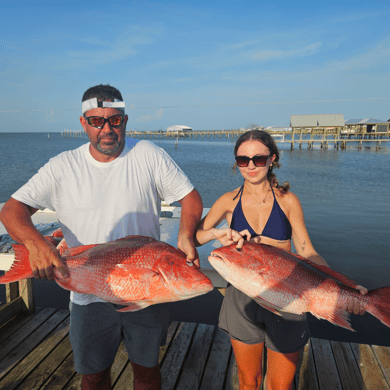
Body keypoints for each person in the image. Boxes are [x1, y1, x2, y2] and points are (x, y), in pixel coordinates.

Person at [0, 84, 203, 390]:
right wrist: (36, 244)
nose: (107, 129)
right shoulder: (62, 166)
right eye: (97, 120)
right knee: (93, 376)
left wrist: (186, 235)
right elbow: (12, 210)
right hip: (88, 292)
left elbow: (190, 198)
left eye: (115, 120)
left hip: (148, 292)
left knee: (147, 372)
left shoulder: (148, 154)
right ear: (84, 123)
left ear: (125, 119)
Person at [195, 130, 367, 390]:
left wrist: (342, 289)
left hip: (290, 295)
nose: (251, 165)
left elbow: (307, 249)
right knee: (247, 381)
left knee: (280, 385)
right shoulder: (228, 201)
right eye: (243, 160)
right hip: (242, 298)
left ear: (272, 159)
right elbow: (196, 236)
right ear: (236, 162)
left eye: (258, 159)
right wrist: (216, 233)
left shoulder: (288, 201)